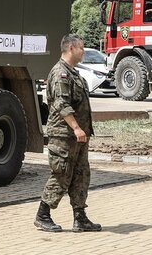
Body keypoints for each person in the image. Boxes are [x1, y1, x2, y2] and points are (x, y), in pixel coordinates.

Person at [35, 34, 102, 233]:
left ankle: (80, 217)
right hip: (64, 135)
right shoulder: (60, 73)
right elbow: (61, 103)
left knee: (81, 175)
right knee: (62, 173)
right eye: (81, 47)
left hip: (78, 136)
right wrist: (75, 127)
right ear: (71, 48)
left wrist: (81, 131)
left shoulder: (73, 73)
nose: (83, 51)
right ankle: (43, 214)